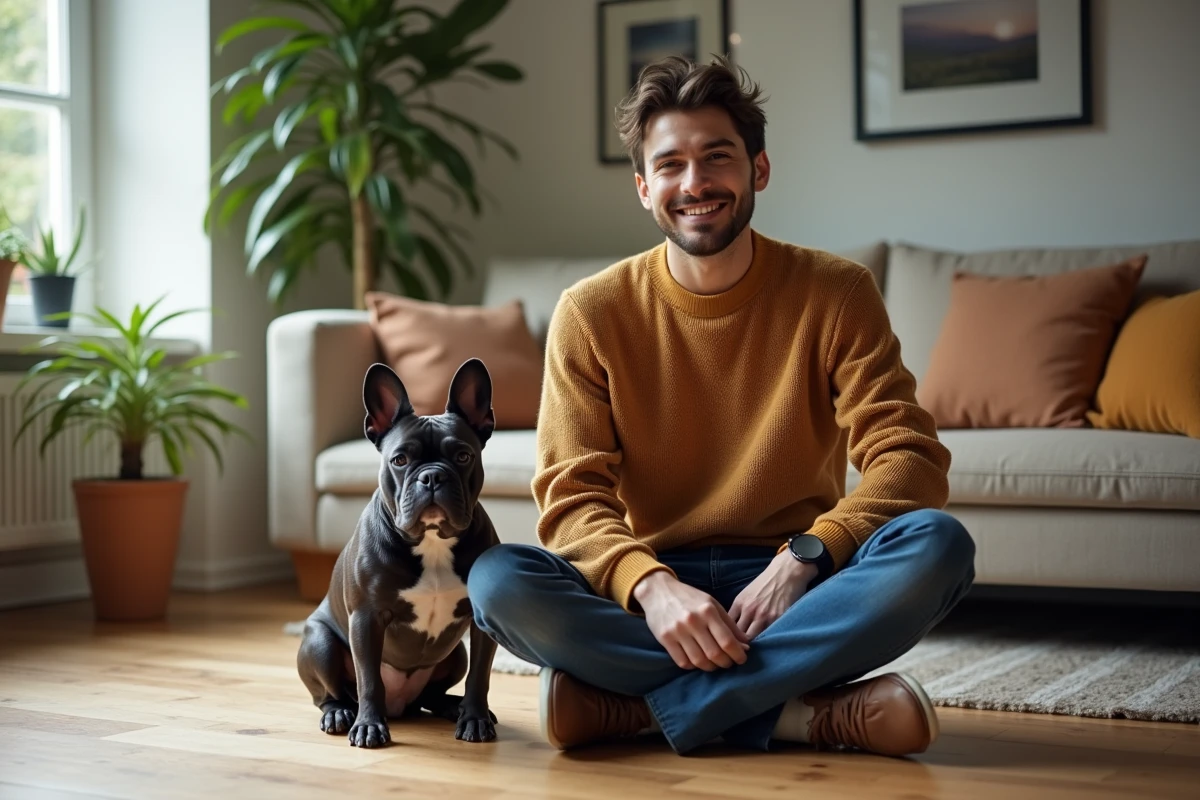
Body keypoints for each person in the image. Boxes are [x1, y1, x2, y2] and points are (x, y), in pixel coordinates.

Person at [467, 54, 975, 757]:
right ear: (644, 189)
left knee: (938, 547)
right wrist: (651, 587)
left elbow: (909, 458)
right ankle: (801, 712)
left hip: (797, 583)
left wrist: (805, 559)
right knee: (496, 580)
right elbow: (570, 496)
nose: (696, 183)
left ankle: (640, 712)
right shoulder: (590, 312)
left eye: (717, 157)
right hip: (654, 586)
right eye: (671, 165)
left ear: (757, 170)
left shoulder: (837, 292)